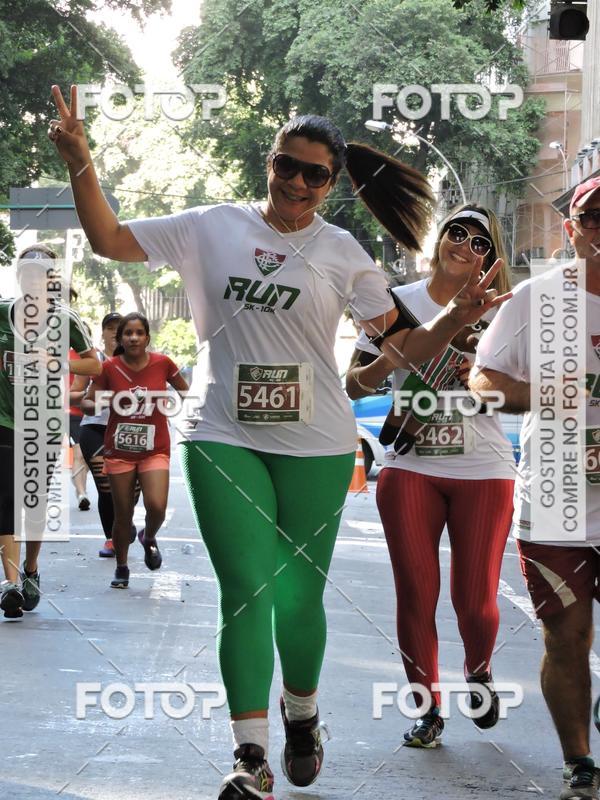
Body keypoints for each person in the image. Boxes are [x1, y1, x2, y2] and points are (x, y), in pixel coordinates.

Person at [49, 83, 509, 800]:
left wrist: (458, 317)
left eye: (314, 174)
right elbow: (109, 237)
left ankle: (303, 715)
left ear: (331, 185)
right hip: (222, 435)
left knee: (297, 599)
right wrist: (81, 159)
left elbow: (405, 347)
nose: (296, 182)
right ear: (269, 163)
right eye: (285, 165)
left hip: (318, 444)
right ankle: (251, 756)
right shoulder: (210, 226)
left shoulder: (342, 252)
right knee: (246, 594)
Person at [346, 205, 516, 747]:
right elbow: (354, 383)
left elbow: (524, 392)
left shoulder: (506, 311)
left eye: (480, 242)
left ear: (491, 260)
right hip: (409, 464)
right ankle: (427, 709)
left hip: (484, 468)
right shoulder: (398, 302)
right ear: (440, 239)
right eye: (457, 232)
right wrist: (387, 365)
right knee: (416, 593)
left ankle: (479, 671)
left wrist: (483, 381)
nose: (465, 245)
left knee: (475, 600)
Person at [470, 177, 600, 800]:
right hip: (555, 502)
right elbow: (482, 382)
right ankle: (579, 763)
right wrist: (550, 396)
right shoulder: (536, 300)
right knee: (566, 636)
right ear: (572, 230)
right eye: (593, 217)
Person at [0, 244, 100, 619]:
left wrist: (55, 360)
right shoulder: (2, 312)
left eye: (40, 275)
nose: (32, 281)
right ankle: (10, 584)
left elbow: (94, 366)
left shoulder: (65, 320)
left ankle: (31, 569)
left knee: (33, 503)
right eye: (26, 273)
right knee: (7, 499)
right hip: (4, 419)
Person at [83, 312, 188, 588]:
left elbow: (186, 392)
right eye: (128, 333)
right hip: (119, 450)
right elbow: (88, 404)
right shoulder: (109, 368)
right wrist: (109, 399)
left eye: (139, 332)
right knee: (123, 513)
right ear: (120, 339)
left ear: (147, 337)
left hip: (155, 448)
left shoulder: (163, 363)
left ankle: (149, 536)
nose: (133, 337)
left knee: (157, 506)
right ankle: (122, 566)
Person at [73, 312, 142, 558]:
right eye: (109, 327)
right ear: (102, 333)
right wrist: (99, 398)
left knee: (131, 488)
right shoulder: (94, 361)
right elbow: (73, 394)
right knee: (106, 488)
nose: (114, 332)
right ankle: (112, 539)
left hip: (130, 430)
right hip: (95, 429)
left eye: (119, 328)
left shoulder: (140, 360)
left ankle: (124, 522)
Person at [68, 346, 90, 510]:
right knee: (79, 452)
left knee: (86, 457)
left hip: (92, 413)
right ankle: (82, 493)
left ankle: (79, 485)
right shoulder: (61, 354)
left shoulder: (94, 356)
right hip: (71, 413)